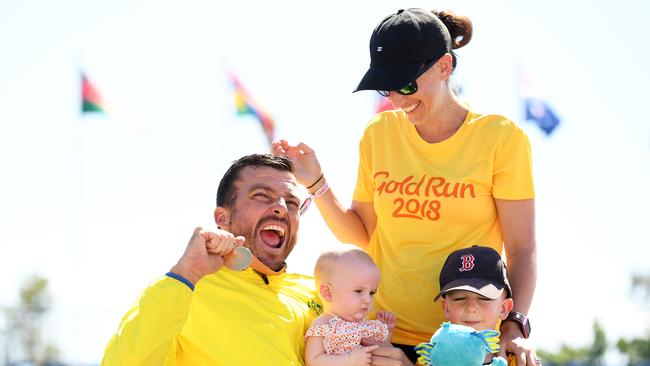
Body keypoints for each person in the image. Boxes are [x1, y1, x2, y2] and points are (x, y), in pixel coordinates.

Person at [272, 7, 537, 365]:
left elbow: (522, 250)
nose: (397, 100)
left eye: (408, 84)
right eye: (387, 87)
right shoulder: (378, 134)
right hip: (382, 336)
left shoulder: (501, 139)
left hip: (463, 344)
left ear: (445, 66)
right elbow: (364, 235)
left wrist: (514, 325)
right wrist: (316, 182)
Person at [101, 153, 412, 366]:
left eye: (291, 201)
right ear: (222, 217)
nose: (280, 207)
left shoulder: (323, 291)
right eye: (261, 195)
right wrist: (188, 272)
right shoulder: (186, 290)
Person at [425, 246, 539, 365]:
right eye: (460, 298)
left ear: (504, 308)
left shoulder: (517, 360)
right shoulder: (433, 358)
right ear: (446, 307)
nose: (471, 308)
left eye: (483, 298)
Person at [305, 246, 397, 365]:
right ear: (327, 293)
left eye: (372, 292)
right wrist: (348, 360)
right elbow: (313, 360)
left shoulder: (364, 324)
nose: (368, 300)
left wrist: (388, 330)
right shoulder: (323, 325)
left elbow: (381, 350)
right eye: (358, 291)